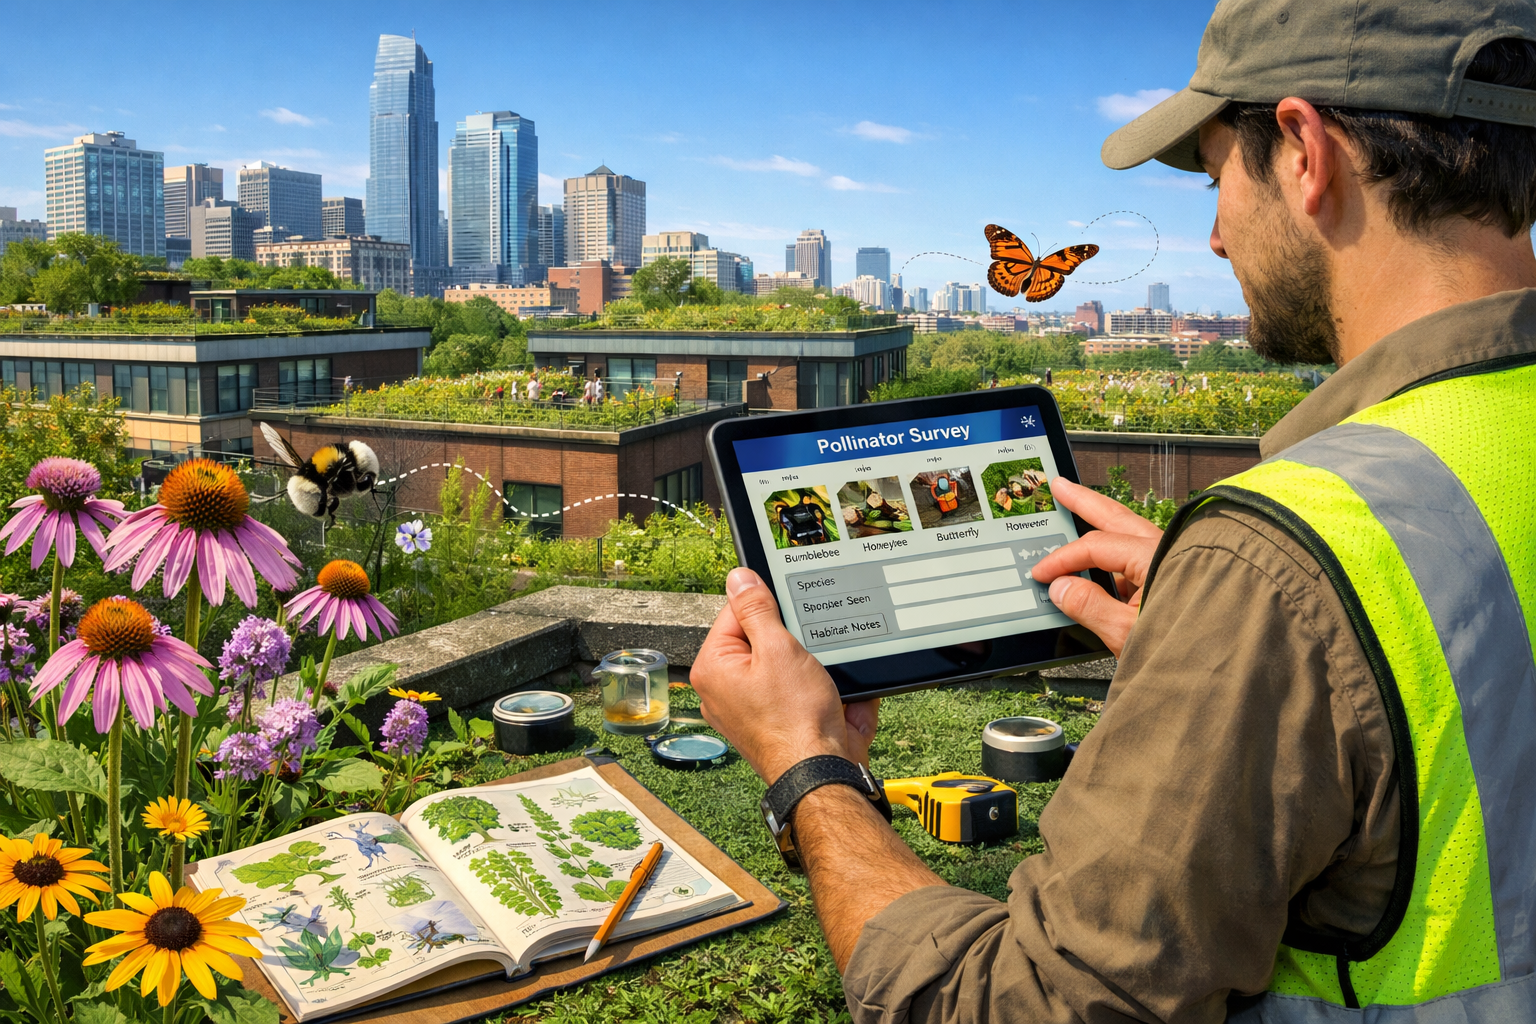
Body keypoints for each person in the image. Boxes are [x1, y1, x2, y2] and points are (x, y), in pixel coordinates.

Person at [689, 2, 1536, 1021]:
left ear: (1306, 152)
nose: (1216, 236)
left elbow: (1028, 1007)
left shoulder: (1288, 559)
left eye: (1220, 170)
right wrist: (1227, 626)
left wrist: (805, 767)